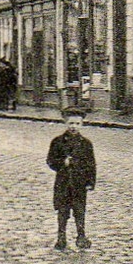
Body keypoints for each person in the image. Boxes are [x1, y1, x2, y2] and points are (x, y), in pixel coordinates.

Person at [46, 107, 96, 250]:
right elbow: (50, 160)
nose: (73, 126)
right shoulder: (57, 141)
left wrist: (90, 182)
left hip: (79, 183)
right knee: (63, 210)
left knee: (79, 210)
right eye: (71, 123)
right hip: (63, 182)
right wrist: (62, 163)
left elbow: (91, 164)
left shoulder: (86, 144)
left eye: (77, 124)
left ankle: (81, 235)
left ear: (82, 125)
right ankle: (61, 237)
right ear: (66, 123)